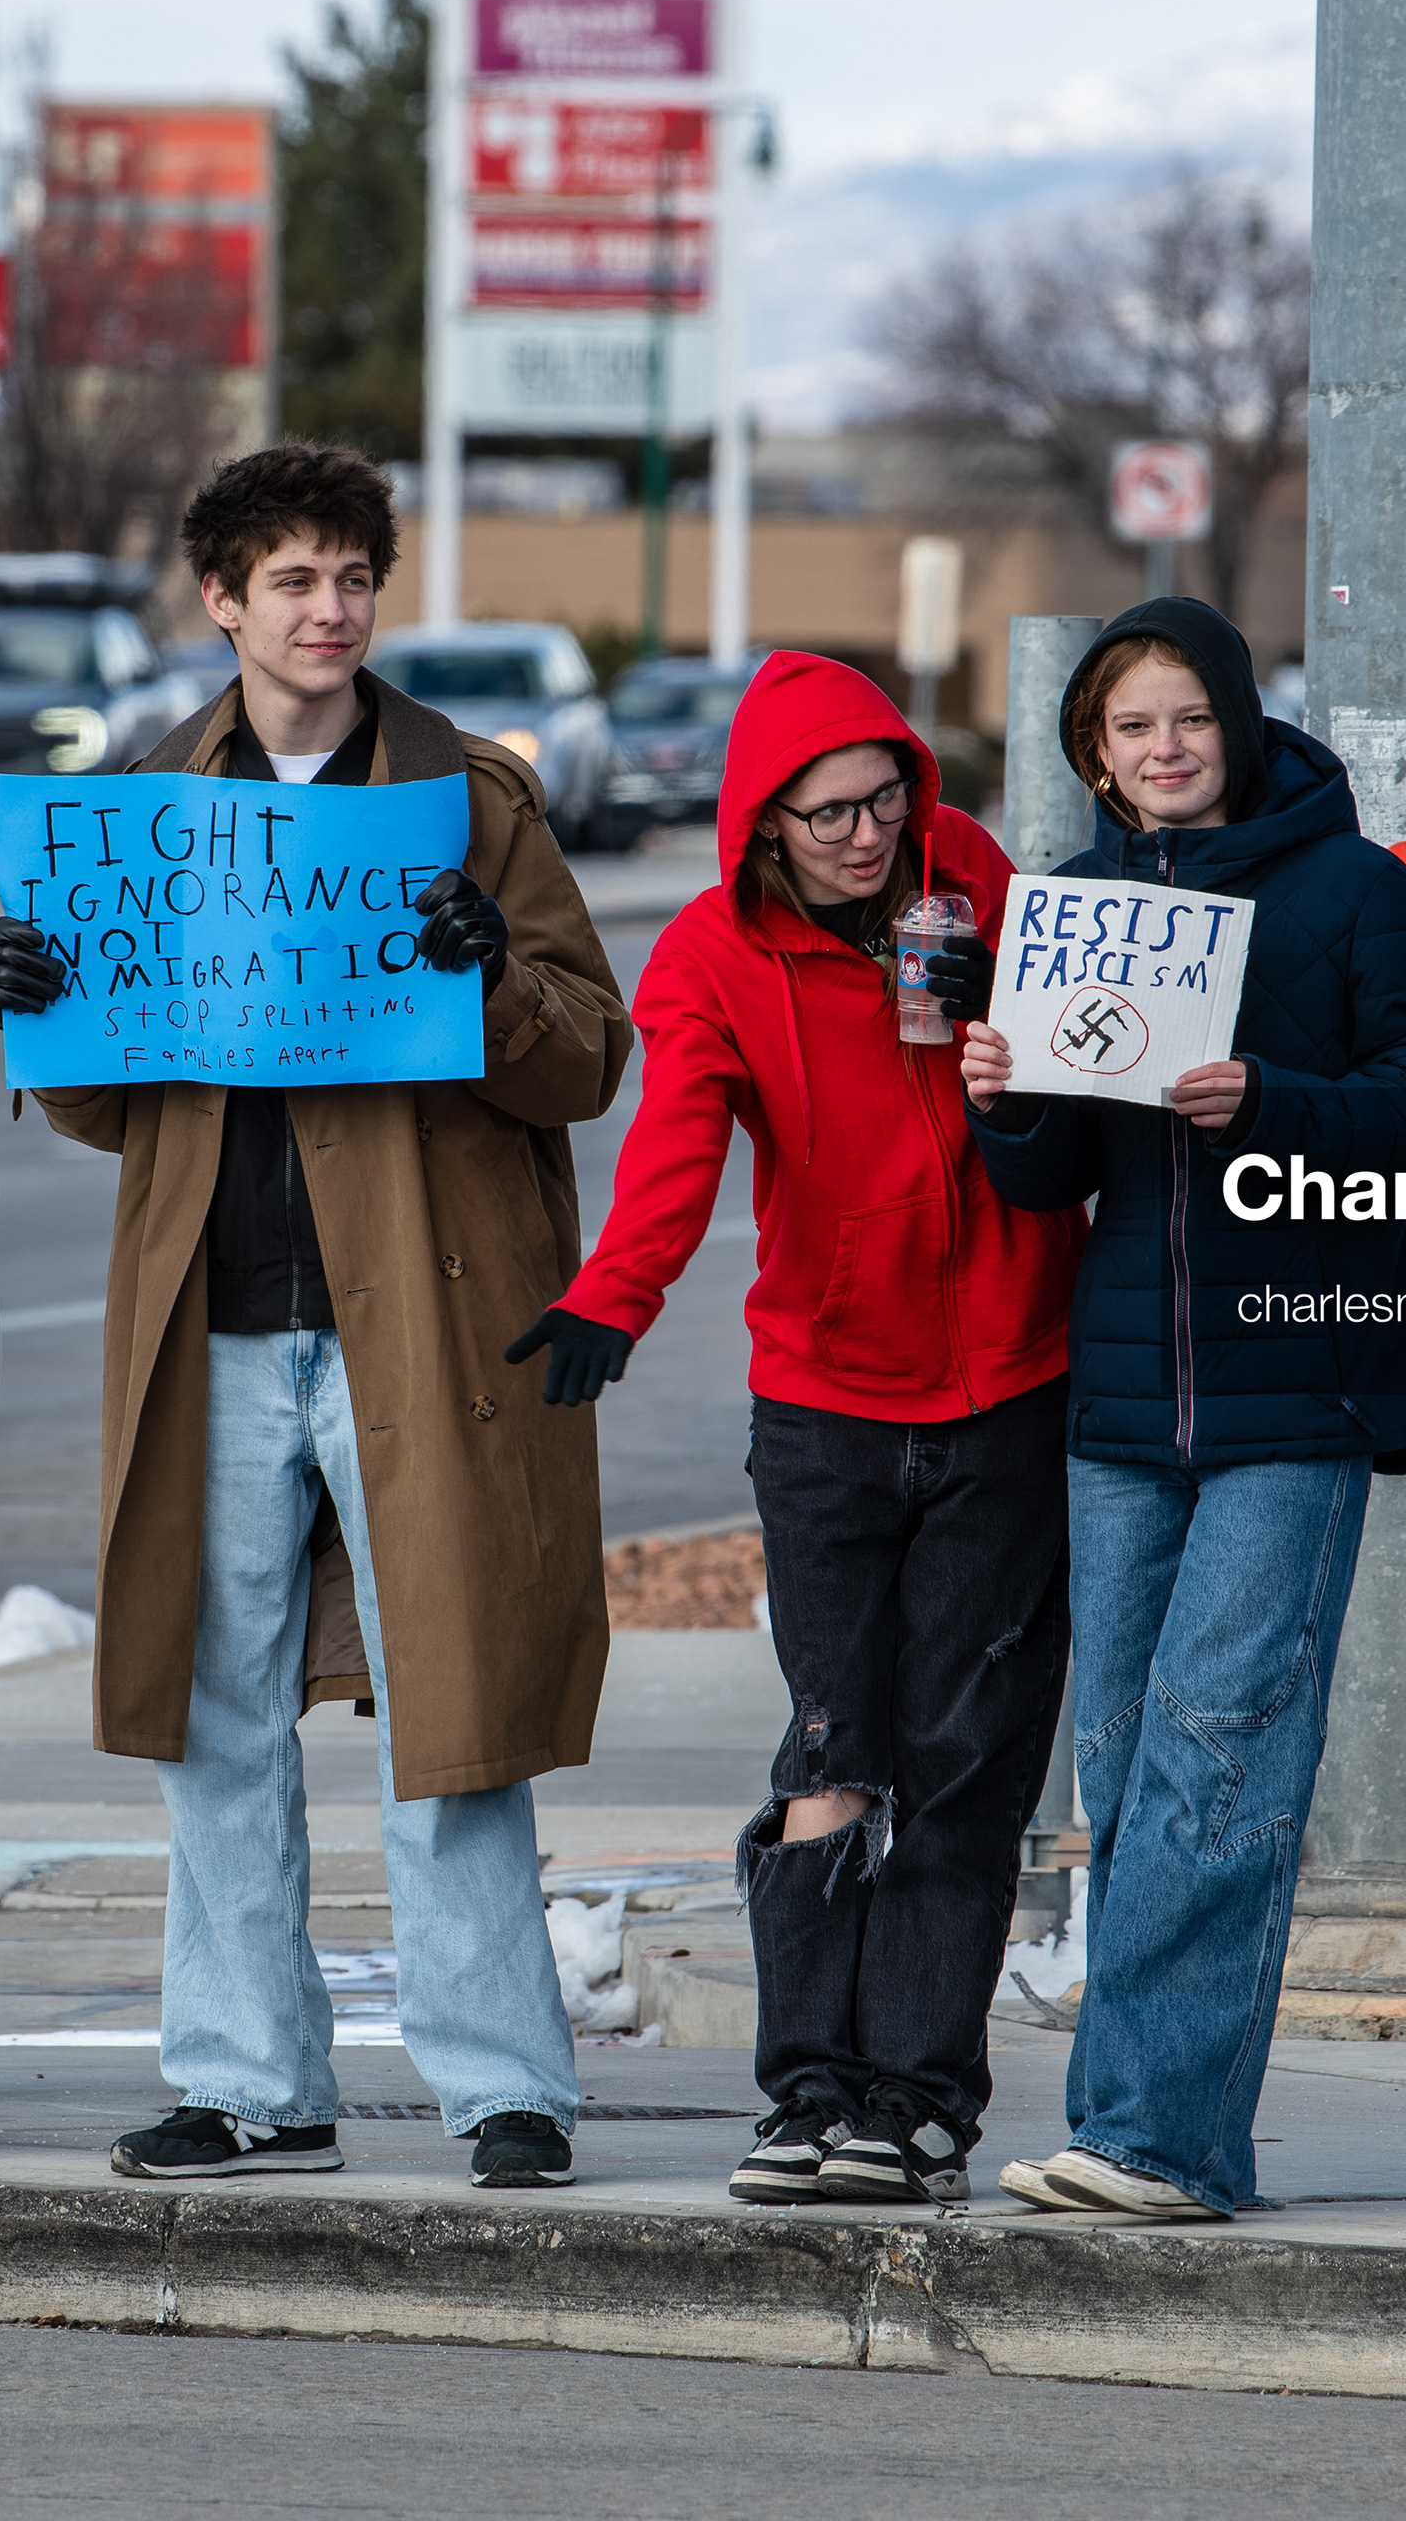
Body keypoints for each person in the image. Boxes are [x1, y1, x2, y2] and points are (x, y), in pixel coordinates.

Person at [0, 444, 632, 2192]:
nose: (329, 608)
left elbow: (588, 1057)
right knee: (215, 1716)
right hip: (212, 1322)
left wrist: (487, 970)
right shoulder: (145, 801)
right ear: (221, 602)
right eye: (292, 579)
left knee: (455, 1703)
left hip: (416, 1325)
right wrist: (44, 1011)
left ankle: (508, 2084)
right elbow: (110, 1110)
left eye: (352, 575)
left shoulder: (470, 797)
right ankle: (246, 2082)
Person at [511, 652, 1079, 2208]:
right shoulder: (708, 958)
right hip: (827, 1400)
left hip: (1013, 1385)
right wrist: (607, 1305)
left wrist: (1011, 1021)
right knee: (836, 1750)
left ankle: (918, 2105)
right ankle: (808, 2090)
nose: (864, 836)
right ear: (763, 822)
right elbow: (679, 1149)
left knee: (967, 1763)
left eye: (884, 798)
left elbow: (1094, 1074)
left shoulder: (980, 888)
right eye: (827, 814)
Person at [961, 597, 1406, 2221]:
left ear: (1240, 725)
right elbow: (1049, 1181)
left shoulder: (1356, 889)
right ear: (1095, 760)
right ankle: (1138, 2129)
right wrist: (1006, 1096)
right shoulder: (1077, 909)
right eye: (1130, 729)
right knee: (1119, 1769)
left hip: (1297, 1388)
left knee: (1218, 1763)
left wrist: (1275, 1100)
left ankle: (1157, 2142)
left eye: (1188, 718)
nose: (1164, 750)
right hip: (1121, 1408)